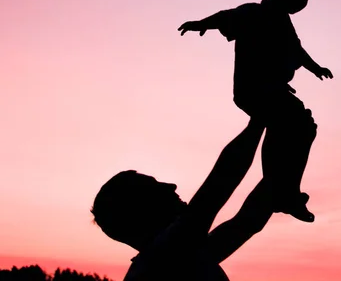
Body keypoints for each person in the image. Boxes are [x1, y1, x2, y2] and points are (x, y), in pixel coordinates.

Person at [177, 0, 333, 223]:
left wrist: (315, 67)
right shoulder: (254, 13)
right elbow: (226, 17)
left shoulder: (284, 23)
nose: (303, 1)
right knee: (285, 124)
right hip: (255, 89)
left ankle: (286, 187)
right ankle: (279, 187)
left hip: (275, 90)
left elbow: (297, 51)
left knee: (304, 128)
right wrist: (201, 24)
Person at [91, 113, 317, 280]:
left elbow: (248, 220)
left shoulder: (179, 257)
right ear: (141, 210)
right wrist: (260, 118)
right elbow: (219, 185)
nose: (171, 185)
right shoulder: (161, 260)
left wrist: (295, 149)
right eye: (155, 186)